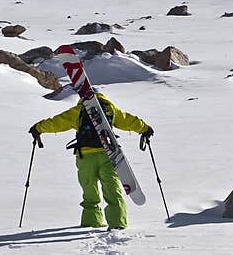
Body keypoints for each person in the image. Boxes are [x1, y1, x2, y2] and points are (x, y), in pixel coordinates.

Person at [29, 92, 153, 230]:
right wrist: (145, 128)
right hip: (108, 154)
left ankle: (91, 221)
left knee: (89, 190)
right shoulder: (109, 108)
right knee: (112, 189)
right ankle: (117, 222)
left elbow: (58, 121)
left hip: (85, 157)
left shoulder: (79, 110)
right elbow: (127, 119)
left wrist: (39, 128)